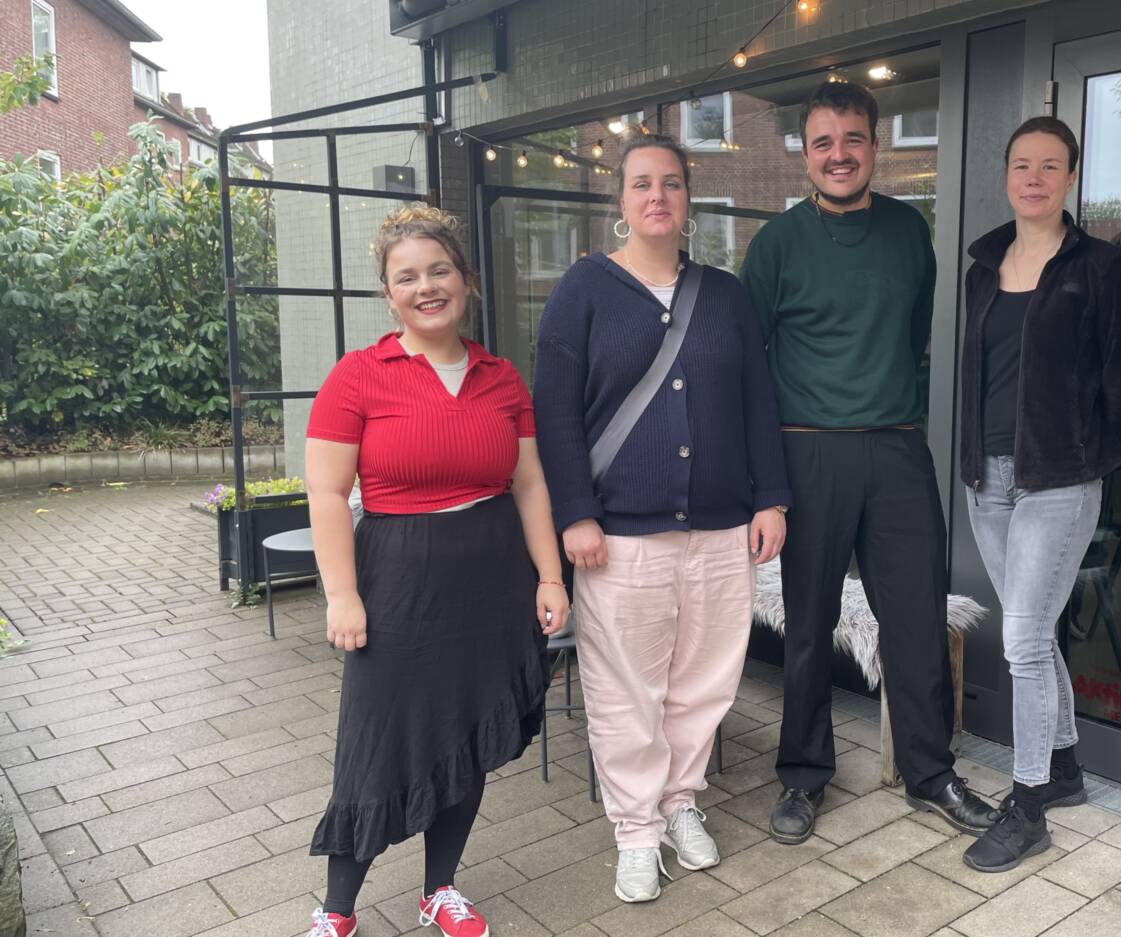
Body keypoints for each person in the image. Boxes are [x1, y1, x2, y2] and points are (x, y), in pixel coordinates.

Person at [532, 135, 792, 904]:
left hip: (720, 528)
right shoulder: (583, 290)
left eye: (671, 183)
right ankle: (636, 830)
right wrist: (574, 513)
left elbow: (758, 400)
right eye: (642, 183)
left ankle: (681, 801)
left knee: (703, 682)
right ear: (621, 200)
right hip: (619, 534)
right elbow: (554, 414)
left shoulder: (725, 295)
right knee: (625, 690)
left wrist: (771, 497)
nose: (657, 196)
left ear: (687, 199)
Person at [741, 81, 998, 845]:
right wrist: (766, 481)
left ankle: (930, 771)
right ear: (805, 155)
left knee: (915, 616)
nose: (839, 154)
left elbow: (913, 335)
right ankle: (802, 774)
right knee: (809, 622)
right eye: (823, 142)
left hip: (894, 447)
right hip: (807, 449)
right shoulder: (777, 245)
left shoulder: (908, 231)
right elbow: (748, 366)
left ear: (874, 147)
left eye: (852, 139)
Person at [302, 205, 568, 937]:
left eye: (440, 270)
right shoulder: (358, 376)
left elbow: (530, 485)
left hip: (492, 580)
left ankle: (439, 888)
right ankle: (337, 909)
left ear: (466, 280)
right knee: (376, 739)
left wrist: (549, 576)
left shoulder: (501, 378)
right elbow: (326, 493)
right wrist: (342, 594)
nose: (427, 287)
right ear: (389, 295)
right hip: (397, 582)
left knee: (466, 732)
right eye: (407, 277)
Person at [957, 116, 1121, 873]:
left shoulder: (1101, 267)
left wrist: (1086, 456)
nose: (1033, 178)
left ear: (1070, 177)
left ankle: (1029, 805)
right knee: (1030, 634)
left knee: (1023, 643)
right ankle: (1064, 768)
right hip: (989, 478)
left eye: (1049, 165)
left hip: (1057, 481)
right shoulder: (984, 267)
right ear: (1006, 175)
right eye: (1021, 165)